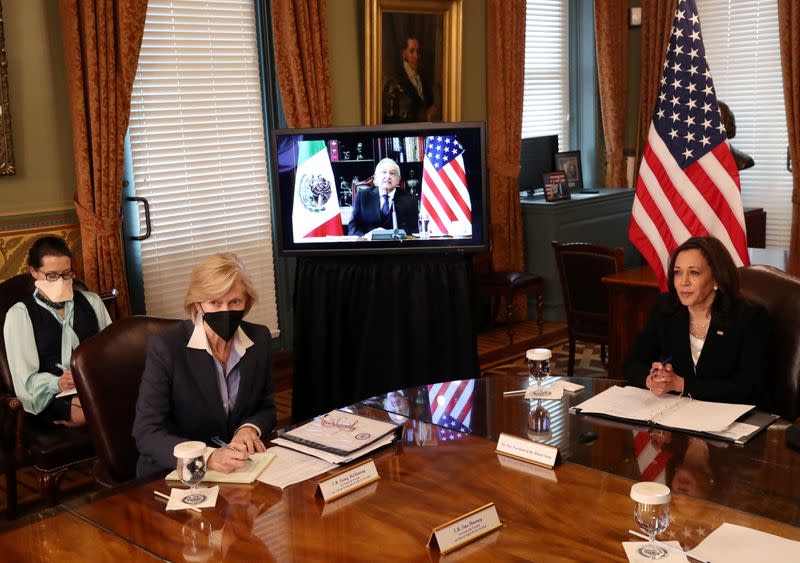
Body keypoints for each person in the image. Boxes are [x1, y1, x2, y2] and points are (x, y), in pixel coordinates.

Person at [133, 253, 276, 477]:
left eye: (234, 302)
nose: (225, 311)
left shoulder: (260, 339)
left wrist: (249, 428)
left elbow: (265, 408)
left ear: (246, 302)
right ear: (198, 304)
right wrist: (207, 457)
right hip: (176, 473)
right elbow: (147, 432)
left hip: (238, 469)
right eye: (215, 302)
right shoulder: (166, 347)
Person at [623, 236, 770, 405]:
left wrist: (681, 384)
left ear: (716, 278)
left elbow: (749, 388)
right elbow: (631, 363)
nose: (683, 282)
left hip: (731, 421)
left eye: (694, 273)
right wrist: (653, 379)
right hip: (677, 415)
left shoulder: (749, 317)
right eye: (678, 273)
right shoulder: (665, 308)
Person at [3, 236, 112, 426]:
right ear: (34, 272)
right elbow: (24, 379)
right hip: (50, 394)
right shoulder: (20, 314)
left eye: (67, 274)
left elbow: (112, 351)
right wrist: (58, 383)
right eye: (52, 275)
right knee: (92, 412)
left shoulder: (92, 302)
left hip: (94, 384)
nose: (60, 281)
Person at [347, 158, 419, 236]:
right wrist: (364, 238)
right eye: (384, 172)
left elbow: (414, 230)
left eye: (392, 173)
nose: (388, 176)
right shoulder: (362, 196)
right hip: (368, 245)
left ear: (398, 180)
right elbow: (353, 226)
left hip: (397, 246)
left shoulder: (410, 200)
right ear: (376, 178)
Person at [382, 36, 437, 123]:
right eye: (411, 51)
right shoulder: (394, 82)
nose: (416, 56)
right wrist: (425, 116)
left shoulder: (423, 79)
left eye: (417, 51)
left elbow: (431, 106)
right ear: (404, 54)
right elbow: (393, 119)